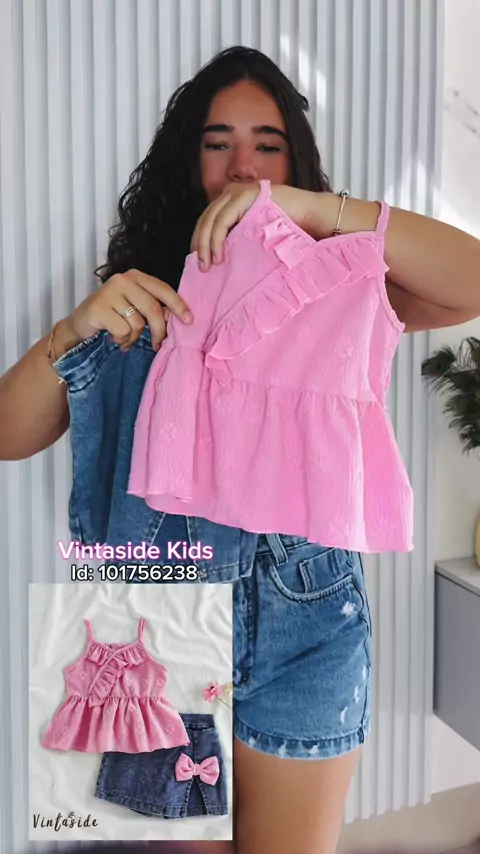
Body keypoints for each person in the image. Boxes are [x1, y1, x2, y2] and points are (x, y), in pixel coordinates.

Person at [1, 46, 479, 854]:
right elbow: (9, 435)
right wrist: (70, 332)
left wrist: (317, 211)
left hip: (309, 619)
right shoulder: (139, 294)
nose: (242, 166)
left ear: (297, 160)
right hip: (155, 618)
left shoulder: (338, 279)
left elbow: (472, 278)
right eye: (217, 142)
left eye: (268, 144)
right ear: (186, 160)